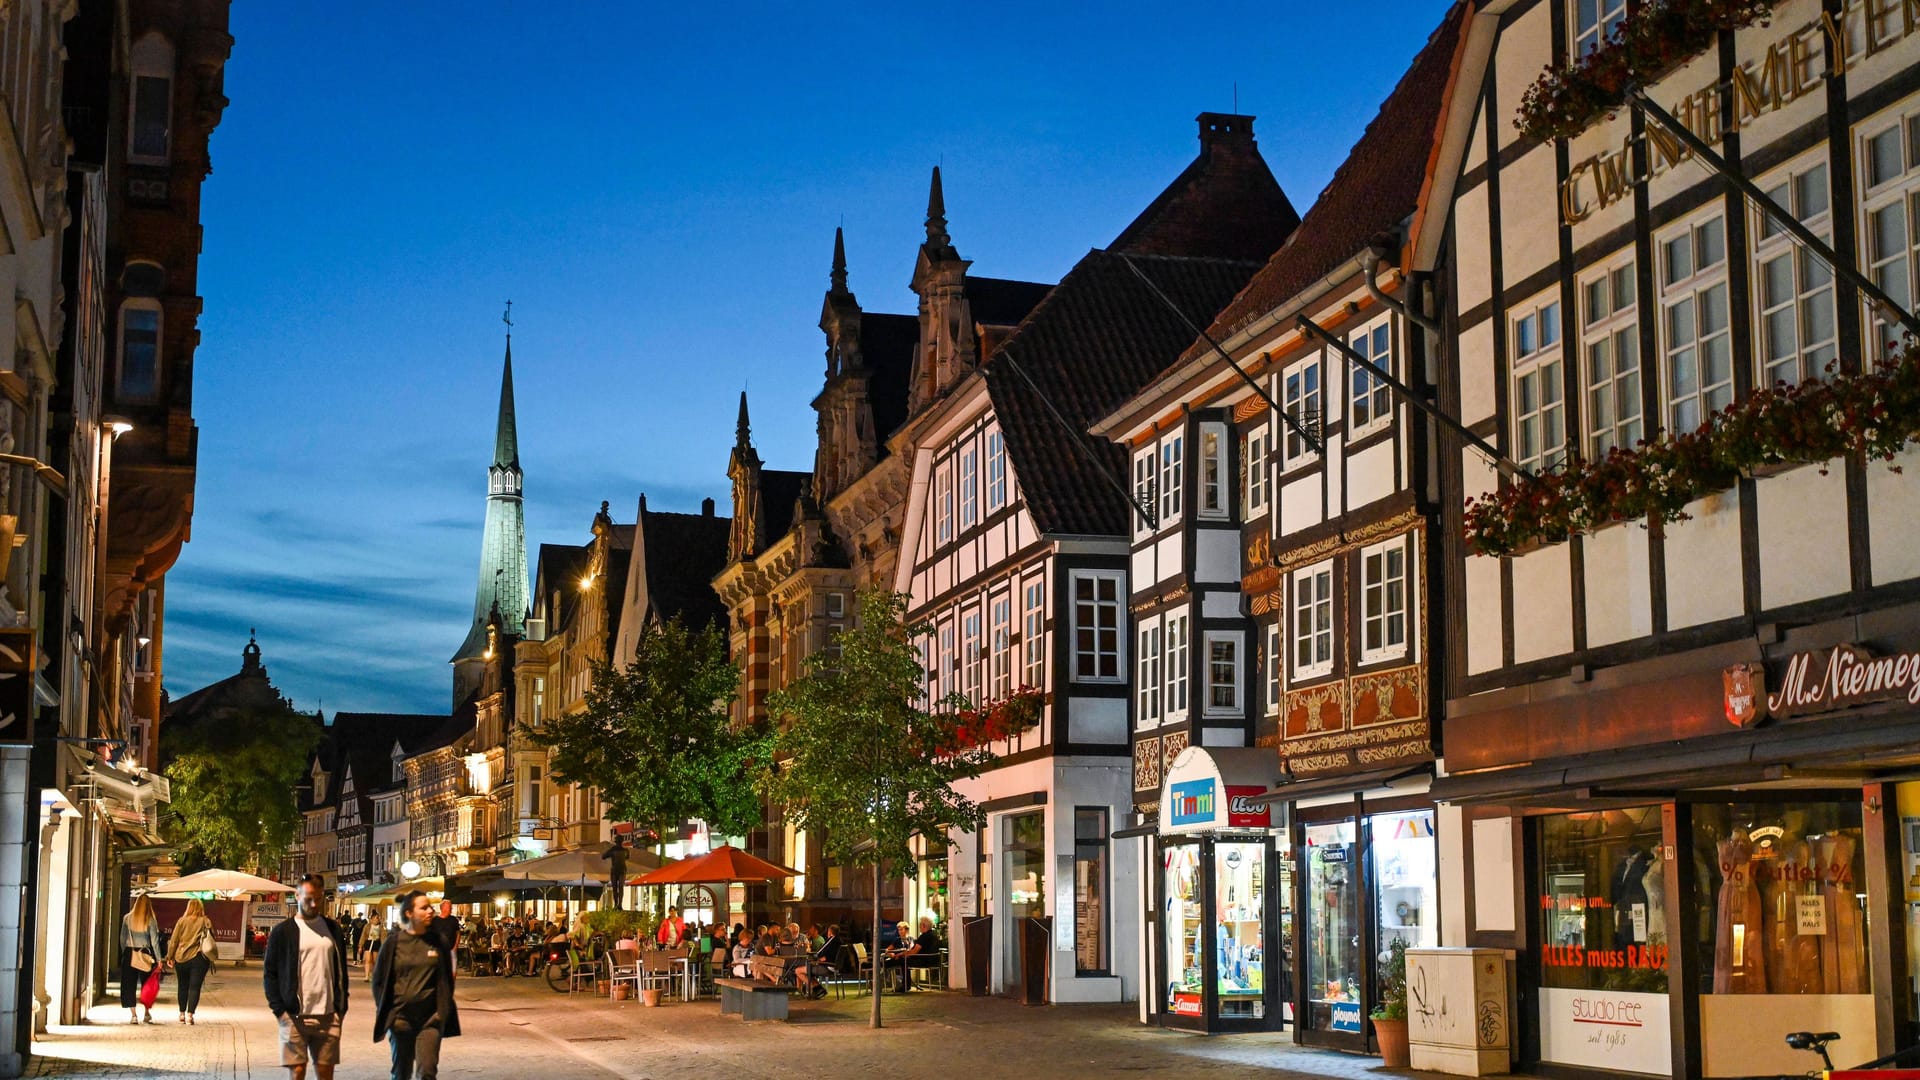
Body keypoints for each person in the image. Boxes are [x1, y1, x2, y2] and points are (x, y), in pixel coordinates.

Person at [264, 875, 350, 1080]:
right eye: (309, 898)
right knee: (298, 1072)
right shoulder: (282, 932)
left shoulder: (332, 929)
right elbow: (270, 973)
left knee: (325, 1073)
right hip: (294, 1016)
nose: (313, 904)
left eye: (318, 899)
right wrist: (280, 1010)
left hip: (328, 1014)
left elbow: (341, 970)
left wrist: (341, 1006)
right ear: (297, 895)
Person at [374, 891, 462, 1080]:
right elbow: (379, 980)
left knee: (428, 1072)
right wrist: (390, 1013)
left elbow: (447, 978)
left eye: (430, 906)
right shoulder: (394, 943)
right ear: (409, 913)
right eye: (424, 908)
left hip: (430, 1019)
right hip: (401, 1020)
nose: (430, 911)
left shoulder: (439, 942)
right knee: (401, 1073)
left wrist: (441, 1012)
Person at [164, 898, 215, 1024]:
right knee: (194, 987)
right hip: (199, 958)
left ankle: (181, 1013)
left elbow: (174, 940)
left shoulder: (181, 921)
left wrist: (169, 957)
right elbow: (212, 937)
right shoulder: (205, 921)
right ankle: (190, 1015)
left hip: (181, 958)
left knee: (182, 986)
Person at [120, 894, 162, 1024]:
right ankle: (146, 1012)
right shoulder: (150, 920)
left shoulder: (127, 918)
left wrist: (126, 953)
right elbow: (155, 942)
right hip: (145, 954)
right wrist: (159, 959)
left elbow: (122, 939)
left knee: (128, 985)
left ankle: (133, 1015)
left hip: (129, 953)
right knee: (146, 985)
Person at [882, 916, 941, 993]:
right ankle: (905, 984)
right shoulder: (933, 935)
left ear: (924, 926)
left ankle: (905, 985)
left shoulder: (924, 937)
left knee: (903, 960)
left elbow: (914, 951)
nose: (919, 926)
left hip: (924, 960)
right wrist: (902, 954)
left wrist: (900, 954)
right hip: (933, 960)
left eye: (920, 925)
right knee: (902, 960)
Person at [794, 923, 841, 1000]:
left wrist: (815, 958)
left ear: (830, 931)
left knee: (798, 970)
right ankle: (818, 989)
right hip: (834, 966)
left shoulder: (832, 939)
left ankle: (817, 988)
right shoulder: (839, 941)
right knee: (807, 970)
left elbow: (819, 953)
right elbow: (829, 955)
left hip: (827, 967)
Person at [601, 835, 630, 910]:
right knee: (620, 887)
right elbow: (627, 857)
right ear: (622, 841)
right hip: (622, 870)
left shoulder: (613, 850)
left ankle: (617, 904)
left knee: (615, 887)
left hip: (615, 871)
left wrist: (607, 853)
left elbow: (603, 856)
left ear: (615, 842)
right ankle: (619, 904)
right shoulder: (626, 850)